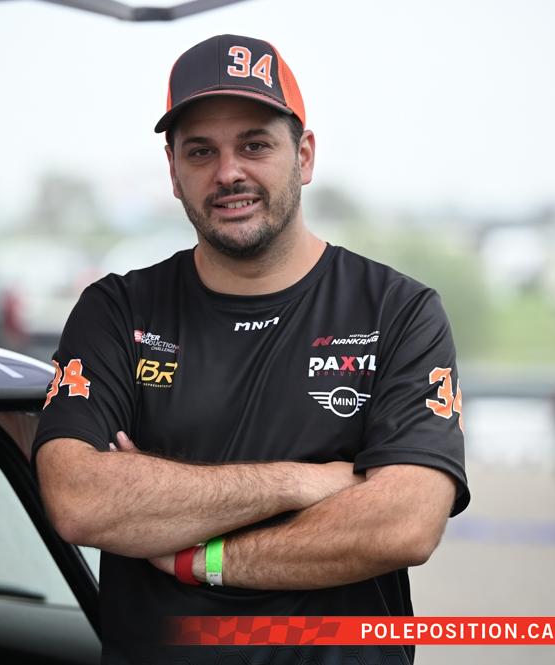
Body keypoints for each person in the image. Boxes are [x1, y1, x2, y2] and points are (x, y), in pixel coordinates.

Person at [33, 34, 470, 665]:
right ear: (173, 172)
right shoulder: (119, 310)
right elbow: (79, 499)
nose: (228, 172)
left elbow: (404, 523)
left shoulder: (397, 311)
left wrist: (201, 558)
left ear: (305, 156)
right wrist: (303, 482)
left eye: (255, 145)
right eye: (201, 151)